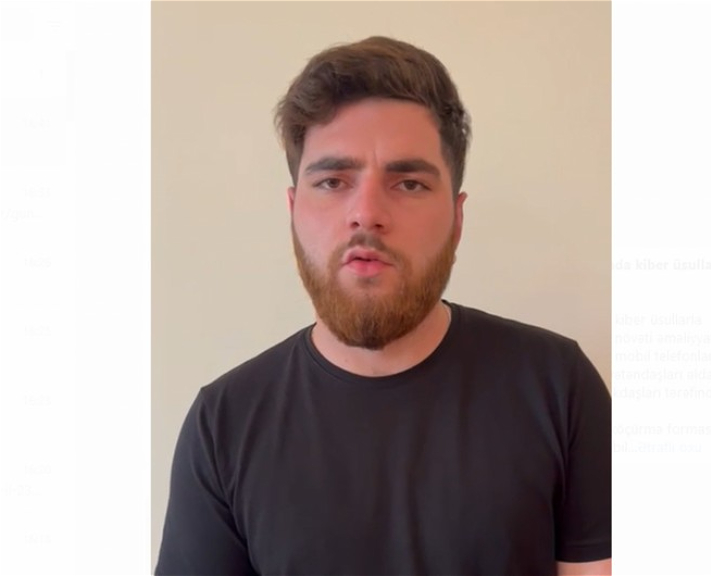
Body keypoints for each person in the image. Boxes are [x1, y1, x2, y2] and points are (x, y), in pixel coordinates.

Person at [156, 36, 611, 576]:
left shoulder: (559, 388)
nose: (366, 212)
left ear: (457, 219)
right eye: (332, 181)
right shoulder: (224, 424)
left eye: (409, 183)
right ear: (293, 211)